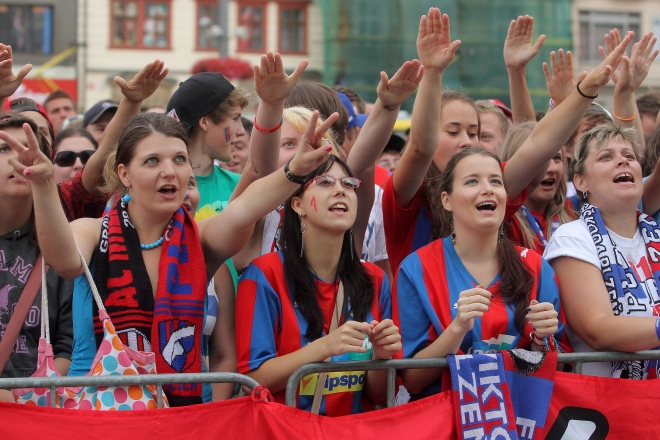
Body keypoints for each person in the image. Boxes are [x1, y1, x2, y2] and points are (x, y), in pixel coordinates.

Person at [1, 108, 336, 406]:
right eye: (152, 161)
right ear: (125, 174)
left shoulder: (201, 239)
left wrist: (294, 169)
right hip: (97, 414)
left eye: (179, 159)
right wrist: (44, 185)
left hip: (181, 418)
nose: (170, 171)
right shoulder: (90, 231)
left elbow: (245, 208)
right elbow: (62, 259)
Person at [383, 8, 631, 272]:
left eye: (474, 132)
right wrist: (432, 71)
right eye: (453, 132)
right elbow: (422, 148)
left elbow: (538, 145)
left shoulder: (492, 185)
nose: (467, 141)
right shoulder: (407, 195)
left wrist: (585, 91)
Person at [394, 148, 569, 400]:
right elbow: (413, 380)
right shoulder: (416, 268)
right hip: (444, 423)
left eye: (495, 181)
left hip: (520, 422)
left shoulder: (535, 266)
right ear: (447, 200)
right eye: (472, 181)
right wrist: (458, 328)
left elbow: (563, 370)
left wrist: (543, 341)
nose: (487, 189)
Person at [236, 154, 400, 416]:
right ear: (297, 204)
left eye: (348, 184)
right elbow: (253, 379)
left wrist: (381, 356)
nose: (340, 190)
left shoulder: (375, 279)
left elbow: (378, 395)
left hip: (353, 432)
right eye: (324, 182)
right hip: (285, 431)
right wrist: (325, 347)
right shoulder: (264, 274)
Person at [544, 125, 660, 379]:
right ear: (581, 181)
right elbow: (597, 330)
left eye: (629, 156)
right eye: (606, 157)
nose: (622, 161)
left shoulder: (656, 236)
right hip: (606, 405)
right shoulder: (571, 238)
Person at [0, 113, 72, 401]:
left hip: (35, 415)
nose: (20, 158)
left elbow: (67, 345)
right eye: (5, 148)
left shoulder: (60, 247)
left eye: (31, 149)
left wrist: (29, 399)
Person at [500, 122, 576, 253]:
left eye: (557, 158)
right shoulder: (501, 216)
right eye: (539, 160)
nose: (551, 168)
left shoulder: (575, 209)